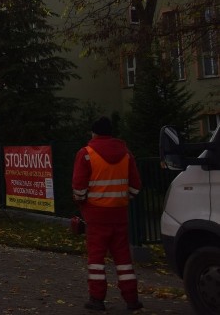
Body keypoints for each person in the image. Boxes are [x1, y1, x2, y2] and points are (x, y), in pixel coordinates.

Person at [72, 116, 143, 312]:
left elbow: (79, 188)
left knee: (96, 259)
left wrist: (82, 203)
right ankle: (132, 299)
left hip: (95, 215)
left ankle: (97, 298)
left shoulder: (86, 153)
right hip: (119, 214)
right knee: (123, 258)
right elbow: (136, 186)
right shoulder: (126, 154)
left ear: (93, 133)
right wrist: (122, 199)